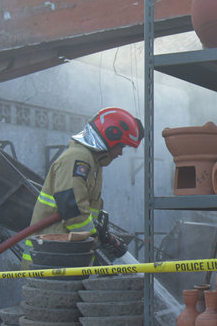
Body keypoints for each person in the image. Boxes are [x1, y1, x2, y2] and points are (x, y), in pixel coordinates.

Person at [22, 107, 144, 266]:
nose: (120, 153)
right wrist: (93, 237)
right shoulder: (78, 158)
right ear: (110, 137)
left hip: (63, 255)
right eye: (121, 146)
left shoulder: (94, 162)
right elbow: (72, 206)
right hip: (49, 258)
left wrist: (98, 235)